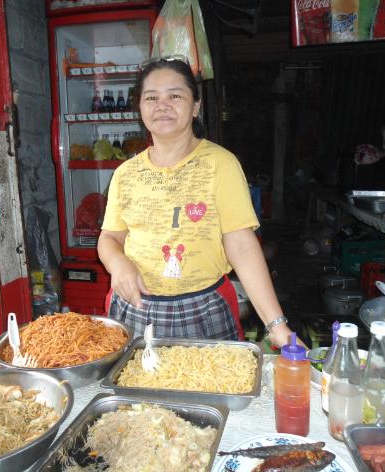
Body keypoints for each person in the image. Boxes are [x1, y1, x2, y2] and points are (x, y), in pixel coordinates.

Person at [97, 55, 298, 348]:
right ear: (140, 107)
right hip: (136, 307)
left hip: (204, 310)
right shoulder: (125, 174)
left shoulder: (221, 164)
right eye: (151, 97)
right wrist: (118, 264)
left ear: (195, 106)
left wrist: (277, 327)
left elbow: (241, 245)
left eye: (175, 96)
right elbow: (109, 238)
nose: (162, 105)